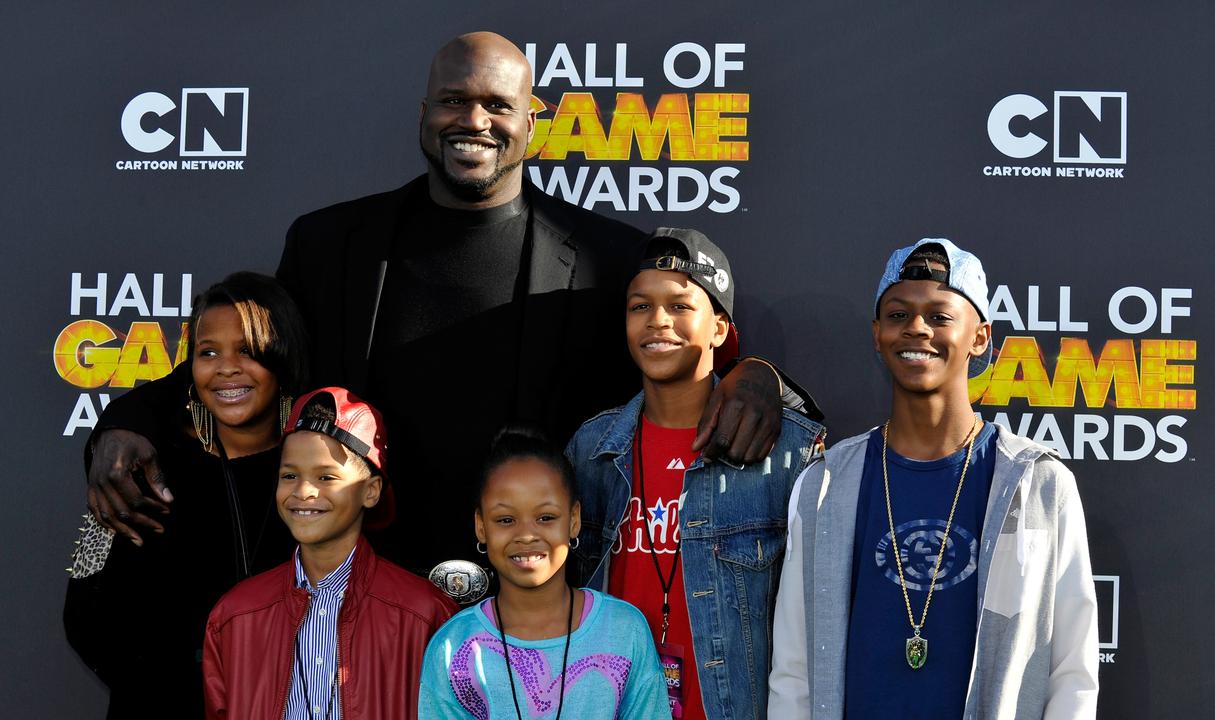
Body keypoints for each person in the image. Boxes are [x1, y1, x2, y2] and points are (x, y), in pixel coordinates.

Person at [83, 30, 813, 575]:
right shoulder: (329, 244)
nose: (475, 121)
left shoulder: (608, 257)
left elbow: (687, 384)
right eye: (455, 100)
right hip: (358, 602)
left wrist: (761, 378)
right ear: (424, 111)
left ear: (532, 123)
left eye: (498, 104)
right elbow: (241, 373)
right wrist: (125, 418)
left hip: (534, 612)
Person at [767, 239, 1099, 719]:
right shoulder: (825, 485)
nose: (917, 329)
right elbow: (794, 671)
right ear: (877, 333)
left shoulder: (1038, 485)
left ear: (980, 337)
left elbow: (1072, 674)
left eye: (940, 316)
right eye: (899, 315)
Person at [566, 228, 825, 720]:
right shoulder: (591, 448)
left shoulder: (786, 448)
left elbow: (817, 619)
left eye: (680, 306)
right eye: (640, 306)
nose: (657, 321)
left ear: (719, 329)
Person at [63, 272, 309, 719]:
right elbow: (84, 611)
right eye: (208, 352)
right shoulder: (144, 475)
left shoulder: (314, 482)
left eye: (249, 351)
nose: (226, 367)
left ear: (284, 358)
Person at [203, 386, 456, 719]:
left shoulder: (426, 614)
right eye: (289, 475)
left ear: (371, 491)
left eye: (326, 476)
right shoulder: (234, 614)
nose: (304, 491)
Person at [419, 427, 670, 718]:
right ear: (481, 526)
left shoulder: (625, 630)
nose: (526, 535)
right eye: (506, 519)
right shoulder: (453, 646)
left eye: (546, 517)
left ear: (574, 520)